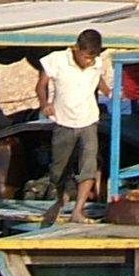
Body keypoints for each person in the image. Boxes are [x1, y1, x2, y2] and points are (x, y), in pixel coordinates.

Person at [35, 28, 111, 224]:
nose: (89, 61)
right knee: (59, 169)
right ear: (76, 49)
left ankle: (79, 209)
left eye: (92, 58)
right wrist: (45, 105)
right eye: (86, 57)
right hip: (64, 121)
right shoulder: (57, 60)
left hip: (88, 120)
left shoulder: (96, 63)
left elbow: (98, 80)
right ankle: (61, 199)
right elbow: (41, 84)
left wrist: (110, 92)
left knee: (89, 164)